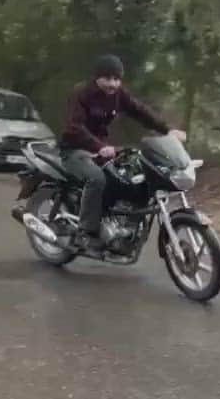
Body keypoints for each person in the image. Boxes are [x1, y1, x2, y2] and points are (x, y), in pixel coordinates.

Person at [60, 54, 186, 252]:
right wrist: (98, 146)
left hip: (102, 149)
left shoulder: (118, 95)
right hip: (75, 150)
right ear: (97, 77)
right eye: (108, 78)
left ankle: (120, 228)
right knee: (97, 179)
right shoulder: (81, 93)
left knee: (130, 177)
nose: (113, 84)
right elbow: (73, 127)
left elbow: (141, 112)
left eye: (117, 79)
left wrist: (167, 130)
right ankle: (84, 232)